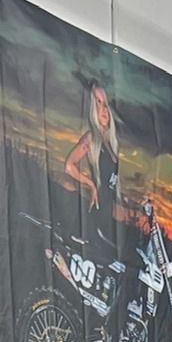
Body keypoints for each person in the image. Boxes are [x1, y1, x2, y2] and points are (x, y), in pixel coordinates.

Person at [63, 79, 121, 247]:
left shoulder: (111, 144)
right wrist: (91, 185)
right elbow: (69, 166)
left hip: (106, 215)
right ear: (92, 108)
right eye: (98, 102)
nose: (104, 109)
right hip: (95, 214)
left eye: (105, 104)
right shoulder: (91, 138)